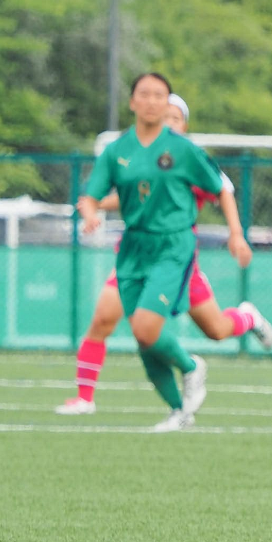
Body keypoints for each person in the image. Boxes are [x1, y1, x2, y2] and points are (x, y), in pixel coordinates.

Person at [56, 92, 272, 416]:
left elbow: (222, 189)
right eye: (163, 117)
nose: (167, 122)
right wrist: (96, 204)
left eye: (175, 118)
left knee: (216, 330)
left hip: (177, 263)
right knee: (105, 319)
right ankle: (86, 397)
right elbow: (133, 195)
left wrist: (236, 234)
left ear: (184, 126)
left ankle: (246, 319)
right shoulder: (143, 158)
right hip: (135, 257)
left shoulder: (189, 160)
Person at [76, 73, 231, 432]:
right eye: (143, 94)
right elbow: (97, 195)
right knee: (141, 335)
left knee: (207, 328)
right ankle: (178, 411)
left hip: (176, 252)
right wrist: (90, 213)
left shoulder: (184, 152)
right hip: (134, 250)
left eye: (160, 97)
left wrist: (236, 235)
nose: (151, 102)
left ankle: (194, 365)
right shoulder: (120, 151)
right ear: (132, 102)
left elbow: (221, 189)